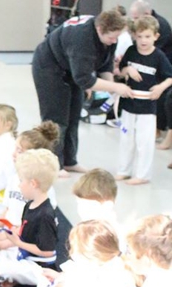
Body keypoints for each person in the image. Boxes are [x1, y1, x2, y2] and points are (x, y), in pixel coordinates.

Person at [32, 9, 134, 178]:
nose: (114, 41)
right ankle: (53, 163)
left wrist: (111, 87)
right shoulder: (82, 39)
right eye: (112, 37)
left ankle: (70, 160)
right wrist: (116, 88)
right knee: (56, 119)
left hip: (71, 68)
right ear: (100, 29)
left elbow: (105, 65)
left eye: (117, 37)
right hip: (49, 68)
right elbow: (85, 80)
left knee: (73, 117)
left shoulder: (109, 36)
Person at [0, 149, 59, 287]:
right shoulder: (30, 205)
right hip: (22, 253)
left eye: (21, 181)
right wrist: (2, 237)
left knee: (9, 268)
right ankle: (5, 275)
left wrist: (15, 242)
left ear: (33, 184)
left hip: (38, 264)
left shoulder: (45, 215)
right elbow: (22, 233)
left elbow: (47, 252)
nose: (19, 185)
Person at [0, 121, 59, 247]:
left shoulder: (44, 187)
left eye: (19, 151)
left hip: (26, 232)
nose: (13, 154)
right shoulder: (14, 178)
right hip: (9, 225)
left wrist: (7, 239)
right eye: (15, 149)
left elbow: (42, 222)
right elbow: (7, 208)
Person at [115, 16, 172, 185]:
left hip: (147, 106)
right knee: (126, 139)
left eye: (147, 36)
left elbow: (170, 77)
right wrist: (127, 69)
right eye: (139, 36)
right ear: (134, 36)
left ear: (156, 36)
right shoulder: (131, 51)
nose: (143, 40)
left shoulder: (159, 56)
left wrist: (160, 88)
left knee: (144, 142)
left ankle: (142, 174)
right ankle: (123, 170)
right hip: (129, 102)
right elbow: (120, 69)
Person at [129, 0, 172, 144]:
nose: (134, 21)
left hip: (162, 67)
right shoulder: (141, 28)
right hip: (149, 67)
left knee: (160, 94)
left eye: (136, 18)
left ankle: (157, 129)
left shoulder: (161, 27)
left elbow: (149, 53)